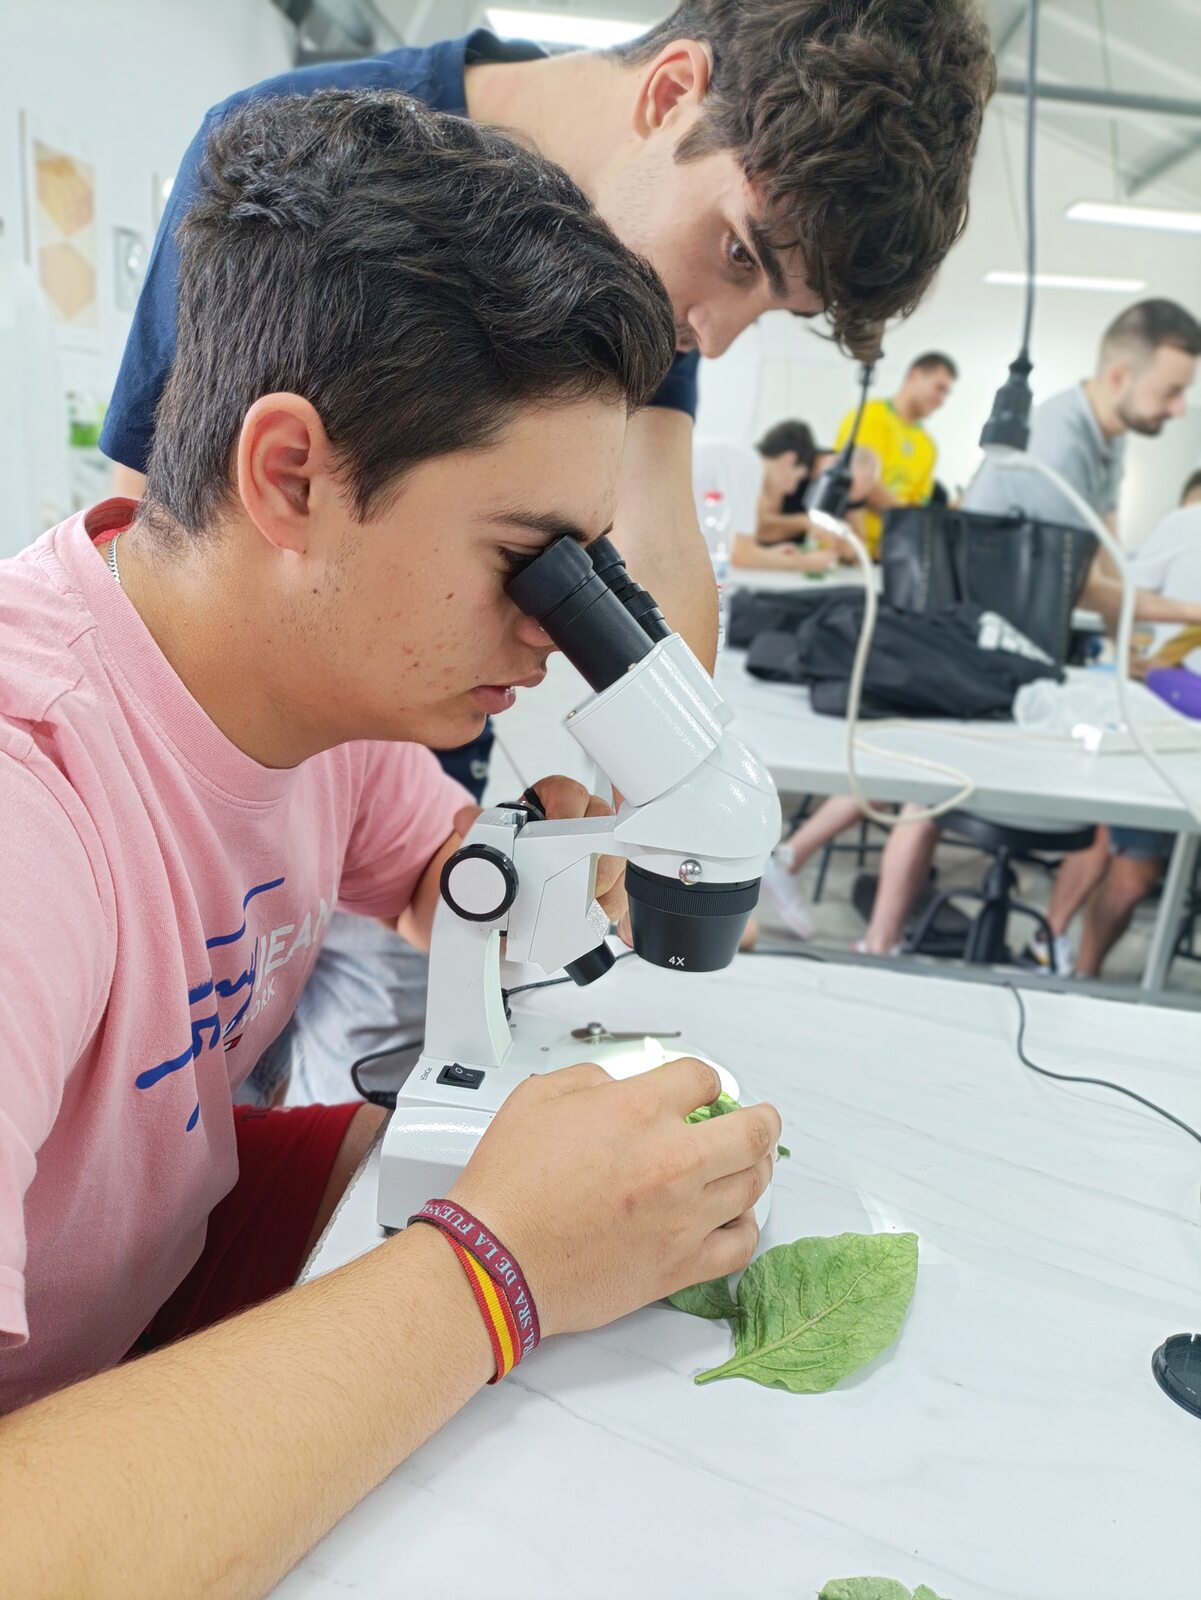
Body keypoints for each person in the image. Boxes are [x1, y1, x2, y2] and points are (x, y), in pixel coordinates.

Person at [0, 94, 782, 1594]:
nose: (553, 641)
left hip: (151, 1270)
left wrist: (536, 893)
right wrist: (492, 1267)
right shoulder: (33, 806)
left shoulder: (319, 688)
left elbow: (439, 883)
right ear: (291, 475)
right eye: (524, 562)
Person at [101, 2, 998, 1101]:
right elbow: (169, 531)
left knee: (304, 1126)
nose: (711, 330)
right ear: (671, 92)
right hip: (209, 811)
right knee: (174, 1096)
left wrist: (673, 804)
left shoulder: (644, 285)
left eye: (770, 305)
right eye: (738, 257)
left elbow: (659, 550)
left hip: (393, 800)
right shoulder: (296, 154)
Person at [856, 300, 1201, 967]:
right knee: (932, 787)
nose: (1179, 407)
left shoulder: (1112, 435)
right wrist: (1190, 616)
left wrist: (1127, 644)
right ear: (1119, 378)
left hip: (1021, 638)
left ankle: (1049, 949)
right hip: (969, 636)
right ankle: (875, 945)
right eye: (1171, 391)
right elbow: (1086, 589)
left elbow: (1101, 558)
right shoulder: (1055, 442)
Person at [831, 351, 959, 560]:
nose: (941, 400)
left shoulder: (928, 446)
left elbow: (917, 506)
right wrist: (906, 518)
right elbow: (861, 482)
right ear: (915, 375)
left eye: (947, 394)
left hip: (890, 559)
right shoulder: (871, 416)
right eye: (939, 388)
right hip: (845, 552)